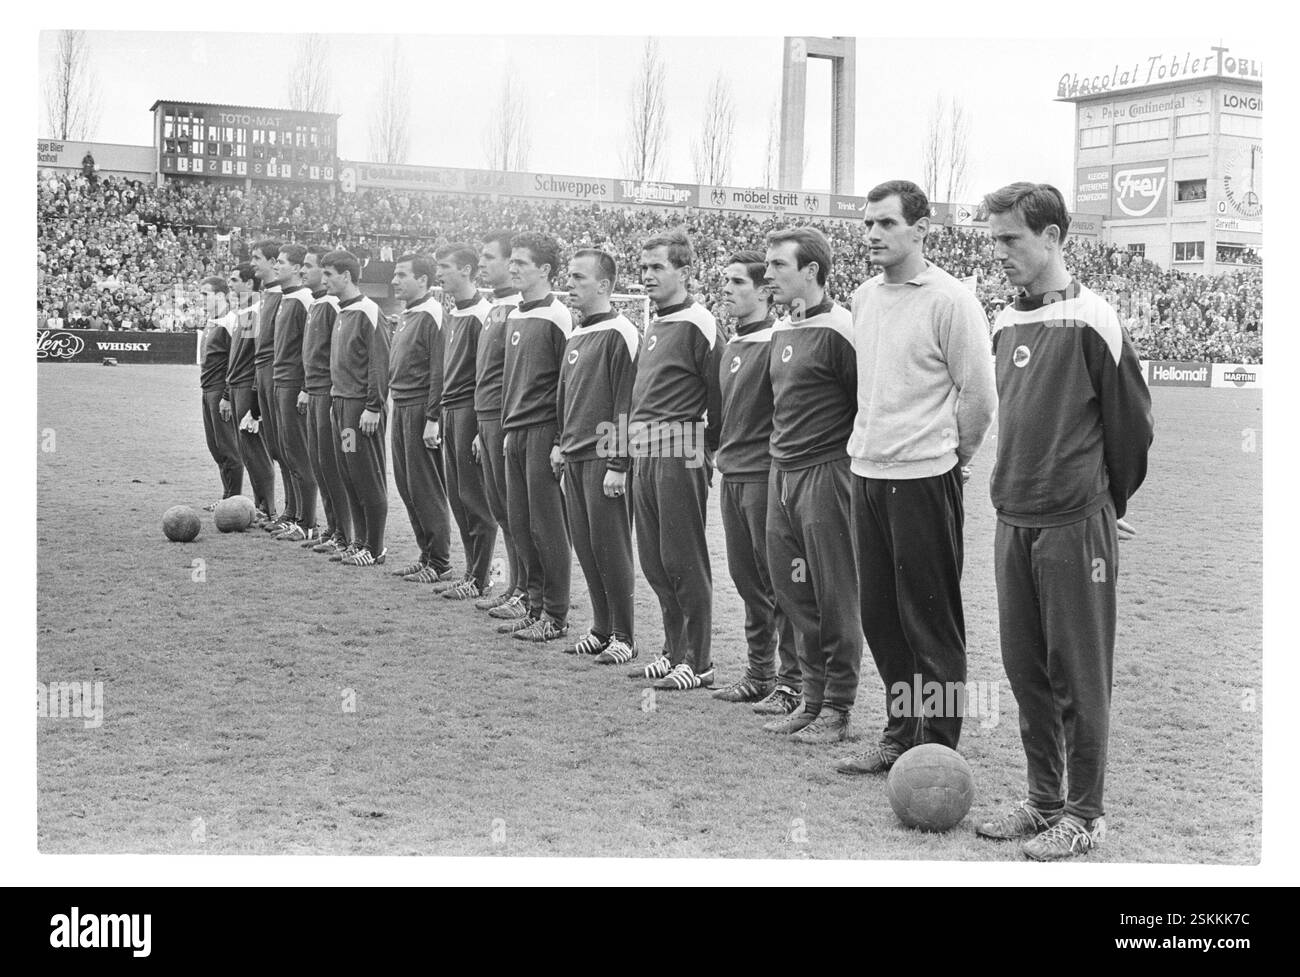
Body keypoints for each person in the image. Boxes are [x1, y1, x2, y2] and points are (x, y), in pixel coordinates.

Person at [973, 182, 1152, 861]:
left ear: (1052, 238)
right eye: (993, 240)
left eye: (1011, 239)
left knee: (1077, 672)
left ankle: (1084, 813)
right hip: (1011, 517)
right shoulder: (1001, 320)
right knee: (1026, 670)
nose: (999, 253)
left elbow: (1131, 429)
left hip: (1075, 522)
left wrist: (1107, 505)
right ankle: (1043, 799)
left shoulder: (1095, 319)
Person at [833, 180, 997, 774]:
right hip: (866, 474)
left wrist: (955, 459)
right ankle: (901, 732)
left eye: (886, 223)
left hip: (926, 477)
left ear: (920, 230)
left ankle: (936, 746)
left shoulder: (951, 300)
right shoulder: (864, 297)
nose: (873, 233)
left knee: (929, 617)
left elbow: (978, 394)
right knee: (879, 614)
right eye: (869, 223)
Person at [760, 227, 861, 743]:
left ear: (811, 272)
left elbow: (866, 405)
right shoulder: (782, 330)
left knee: (834, 594)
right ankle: (811, 699)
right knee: (793, 593)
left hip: (826, 474)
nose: (768, 274)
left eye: (778, 265)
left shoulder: (844, 329)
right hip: (782, 475)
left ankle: (838, 709)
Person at [626, 229, 722, 691]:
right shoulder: (656, 322)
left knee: (684, 560)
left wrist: (707, 449)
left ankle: (699, 662)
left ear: (684, 271)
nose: (646, 276)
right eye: (643, 268)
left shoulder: (700, 323)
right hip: (644, 452)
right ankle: (674, 651)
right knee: (656, 561)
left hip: (680, 449)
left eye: (657, 267)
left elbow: (720, 393)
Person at [708, 249, 800, 711]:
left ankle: (792, 683)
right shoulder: (731, 344)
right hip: (733, 475)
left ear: (765, 290)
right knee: (746, 580)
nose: (727, 288)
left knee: (781, 582)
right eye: (725, 280)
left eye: (737, 282)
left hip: (767, 477)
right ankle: (759, 673)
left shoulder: (778, 341)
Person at [555, 249, 639, 664]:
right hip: (572, 455)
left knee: (611, 547)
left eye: (578, 277)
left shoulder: (622, 332)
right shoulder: (575, 332)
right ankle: (600, 628)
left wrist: (618, 463)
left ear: (604, 286)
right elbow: (564, 395)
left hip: (603, 459)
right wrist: (559, 442)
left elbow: (627, 401)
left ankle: (625, 635)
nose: (570, 284)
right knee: (587, 547)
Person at [500, 232, 572, 642]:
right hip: (516, 430)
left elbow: (566, 383)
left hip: (544, 431)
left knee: (547, 525)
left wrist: (560, 439)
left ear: (544, 270)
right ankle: (533, 604)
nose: (513, 268)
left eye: (521, 263)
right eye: (512, 260)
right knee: (522, 523)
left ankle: (556, 615)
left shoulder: (557, 317)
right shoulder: (515, 314)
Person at [434, 243, 498, 601]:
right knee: (459, 497)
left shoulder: (482, 315)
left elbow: (484, 375)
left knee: (475, 499)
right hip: (449, 409)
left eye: (445, 267)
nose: (439, 273)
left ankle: (481, 576)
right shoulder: (455, 312)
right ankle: (472, 571)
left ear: (468, 271)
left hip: (469, 412)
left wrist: (475, 428)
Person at [387, 253, 454, 585]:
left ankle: (440, 561)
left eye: (402, 275)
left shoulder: (432, 314)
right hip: (399, 404)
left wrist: (432, 417)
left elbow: (439, 370)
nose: (395, 280)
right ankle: (425, 555)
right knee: (407, 484)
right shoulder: (407, 314)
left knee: (426, 485)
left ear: (424, 281)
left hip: (419, 408)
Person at [323, 249, 392, 567]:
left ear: (346, 276)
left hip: (358, 410)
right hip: (341, 407)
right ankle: (359, 541)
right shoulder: (342, 311)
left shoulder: (368, 311)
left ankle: (375, 547)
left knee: (366, 475)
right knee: (349, 474)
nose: (324, 280)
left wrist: (373, 406)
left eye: (329, 274)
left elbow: (380, 362)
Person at [473, 230, 527, 620]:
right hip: (486, 417)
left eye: (490, 257)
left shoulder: (517, 310)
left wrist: (505, 423)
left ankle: (524, 588)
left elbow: (514, 375)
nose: (482, 264)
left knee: (515, 510)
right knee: (501, 510)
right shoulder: (494, 307)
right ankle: (510, 584)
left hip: (505, 419)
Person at [298, 247, 351, 555]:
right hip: (315, 391)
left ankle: (344, 533)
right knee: (319, 463)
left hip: (327, 394)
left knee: (331, 466)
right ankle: (333, 529)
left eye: (309, 266)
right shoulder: (319, 303)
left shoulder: (332, 305)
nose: (304, 271)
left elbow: (335, 354)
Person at [269, 244, 319, 542]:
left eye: (283, 262)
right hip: (279, 381)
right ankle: (293, 513)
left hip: (293, 384)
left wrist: (304, 387)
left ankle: (308, 522)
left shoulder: (303, 299)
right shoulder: (287, 298)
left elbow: (307, 348)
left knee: (299, 454)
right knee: (286, 452)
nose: (278, 266)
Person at [221, 263, 276, 522]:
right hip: (237, 386)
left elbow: (256, 357)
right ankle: (258, 504)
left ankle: (267, 507)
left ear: (250, 284)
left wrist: (254, 399)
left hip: (246, 387)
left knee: (255, 450)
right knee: (246, 451)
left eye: (234, 280)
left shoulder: (255, 312)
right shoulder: (243, 312)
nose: (229, 285)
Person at [250, 239, 291, 532]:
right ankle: (287, 512)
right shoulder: (267, 295)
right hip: (263, 373)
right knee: (276, 447)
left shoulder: (285, 296)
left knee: (290, 450)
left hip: (277, 375)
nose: (253, 263)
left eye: (257, 258)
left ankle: (295, 514)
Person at [197, 277, 245, 507]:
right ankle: (226, 497)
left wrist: (227, 395)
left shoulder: (232, 321)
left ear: (220, 295)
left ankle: (233, 501)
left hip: (219, 391)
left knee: (228, 448)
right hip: (206, 390)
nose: (202, 299)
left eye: (206, 294)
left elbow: (236, 362)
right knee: (216, 448)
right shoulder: (211, 321)